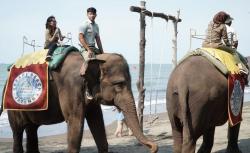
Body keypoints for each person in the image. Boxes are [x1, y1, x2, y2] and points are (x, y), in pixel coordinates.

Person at [79, 7, 104, 100]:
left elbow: (98, 39)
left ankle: (102, 86)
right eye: (90, 14)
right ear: (87, 14)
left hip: (94, 48)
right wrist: (88, 49)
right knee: (90, 63)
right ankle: (87, 89)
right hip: (85, 48)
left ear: (96, 15)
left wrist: (102, 51)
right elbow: (80, 38)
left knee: (105, 60)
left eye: (93, 14)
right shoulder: (84, 25)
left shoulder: (96, 26)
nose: (92, 15)